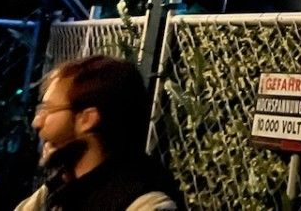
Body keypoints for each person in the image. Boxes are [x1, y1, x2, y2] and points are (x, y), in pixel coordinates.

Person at [15, 54, 186, 211]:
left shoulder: (144, 202)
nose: (37, 122)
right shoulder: (61, 187)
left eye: (48, 109)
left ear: (87, 119)